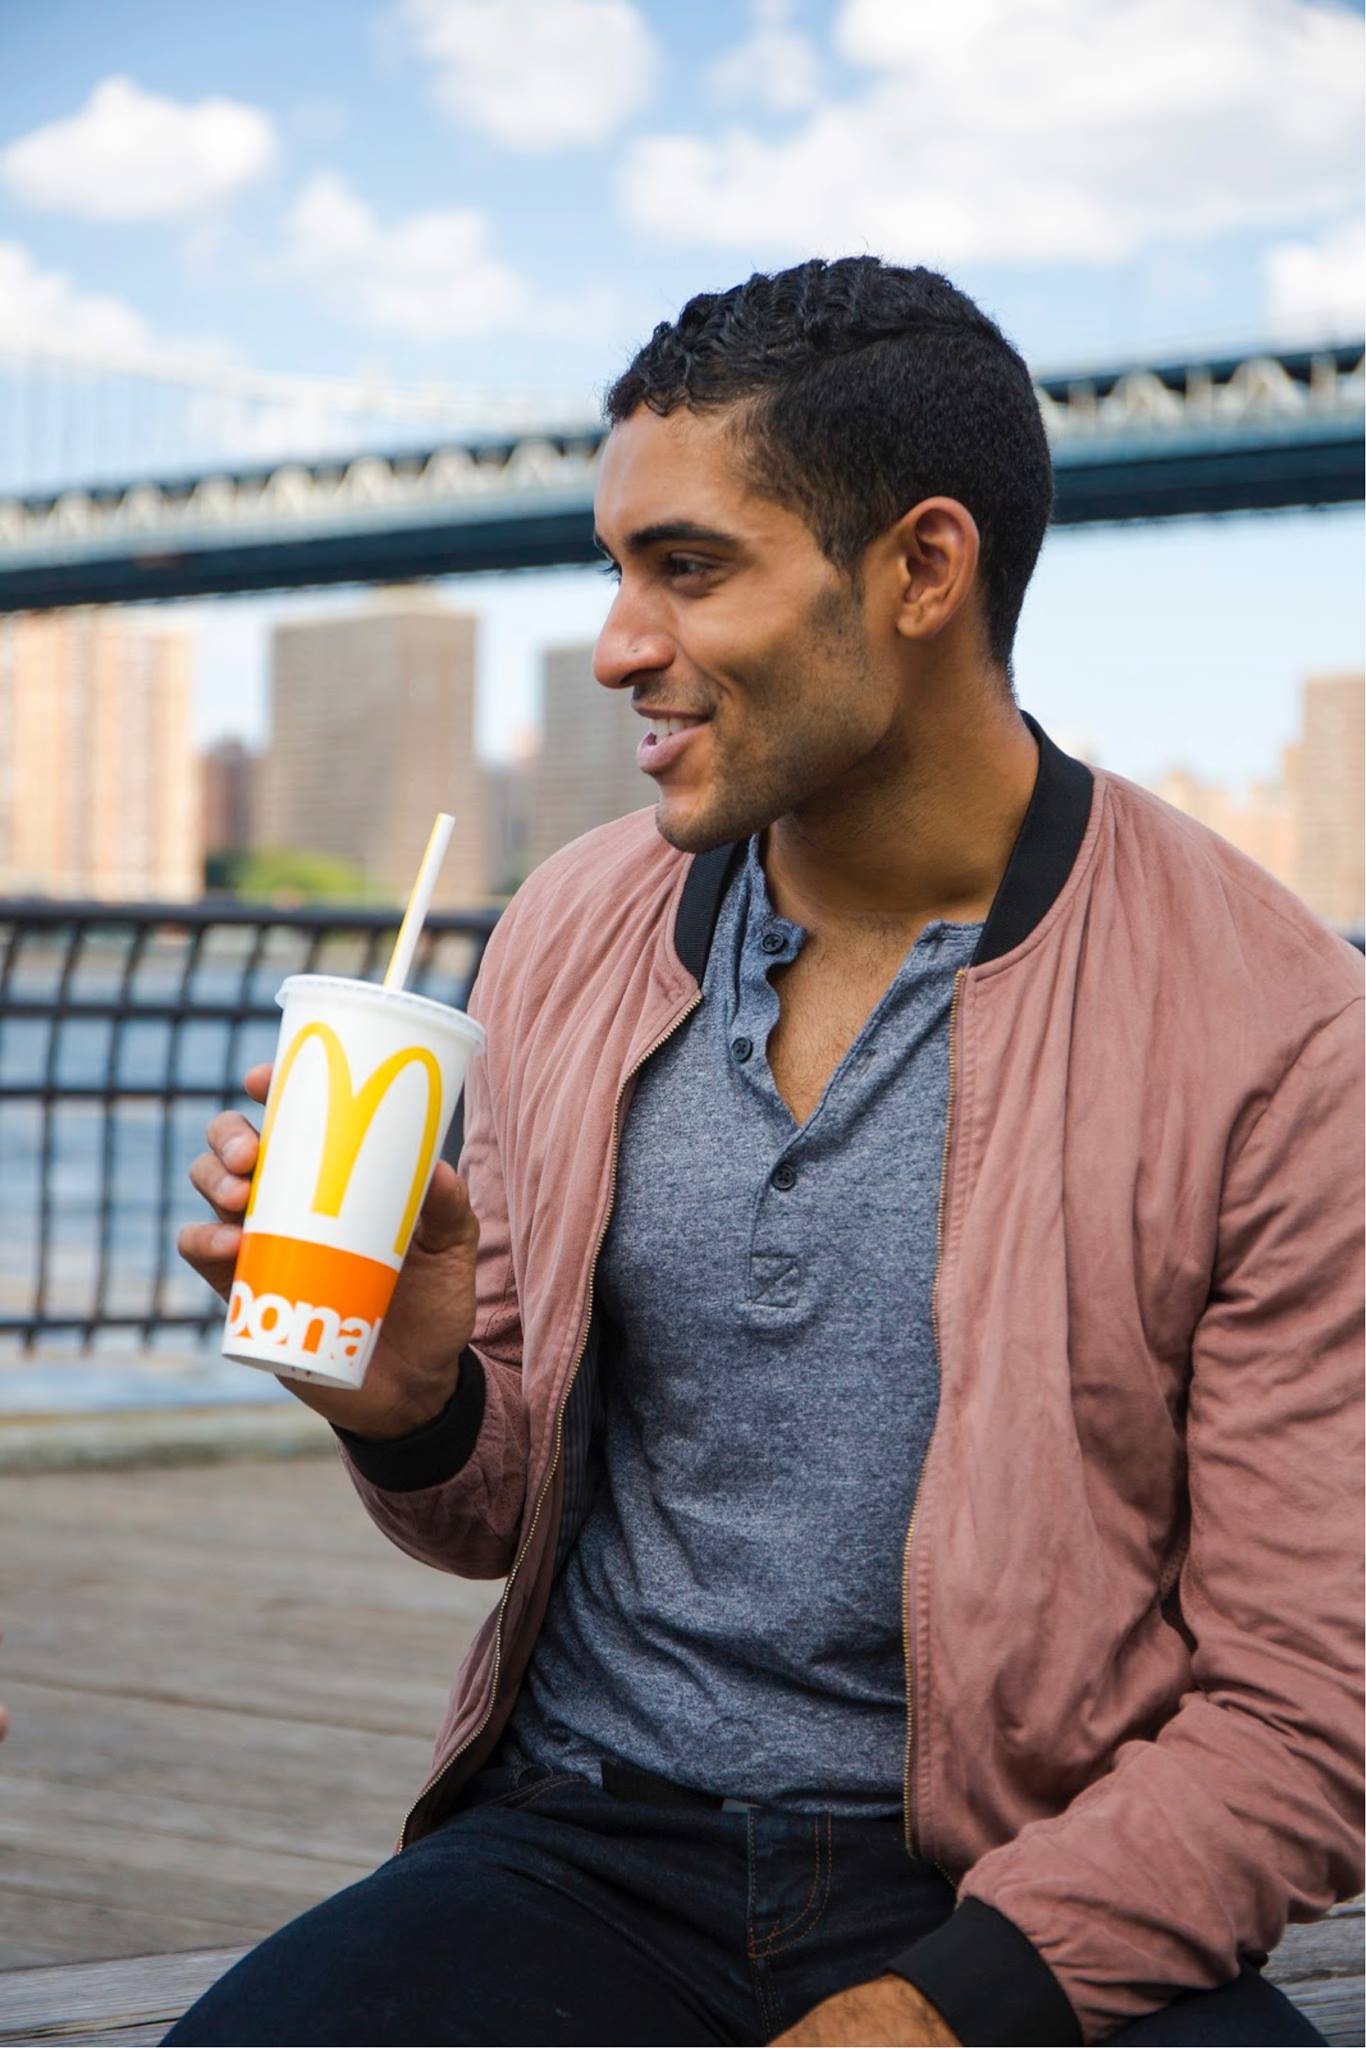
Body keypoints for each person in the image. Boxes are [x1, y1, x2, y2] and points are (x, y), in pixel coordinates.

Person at [168, 257, 1362, 2048]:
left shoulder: (1278, 1029)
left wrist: (946, 2006)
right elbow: (493, 1515)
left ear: (921, 570)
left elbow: (1307, 1711)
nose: (615, 645)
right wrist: (412, 1400)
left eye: (689, 567)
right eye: (614, 569)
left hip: (1024, 1891)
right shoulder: (570, 928)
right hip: (580, 1844)